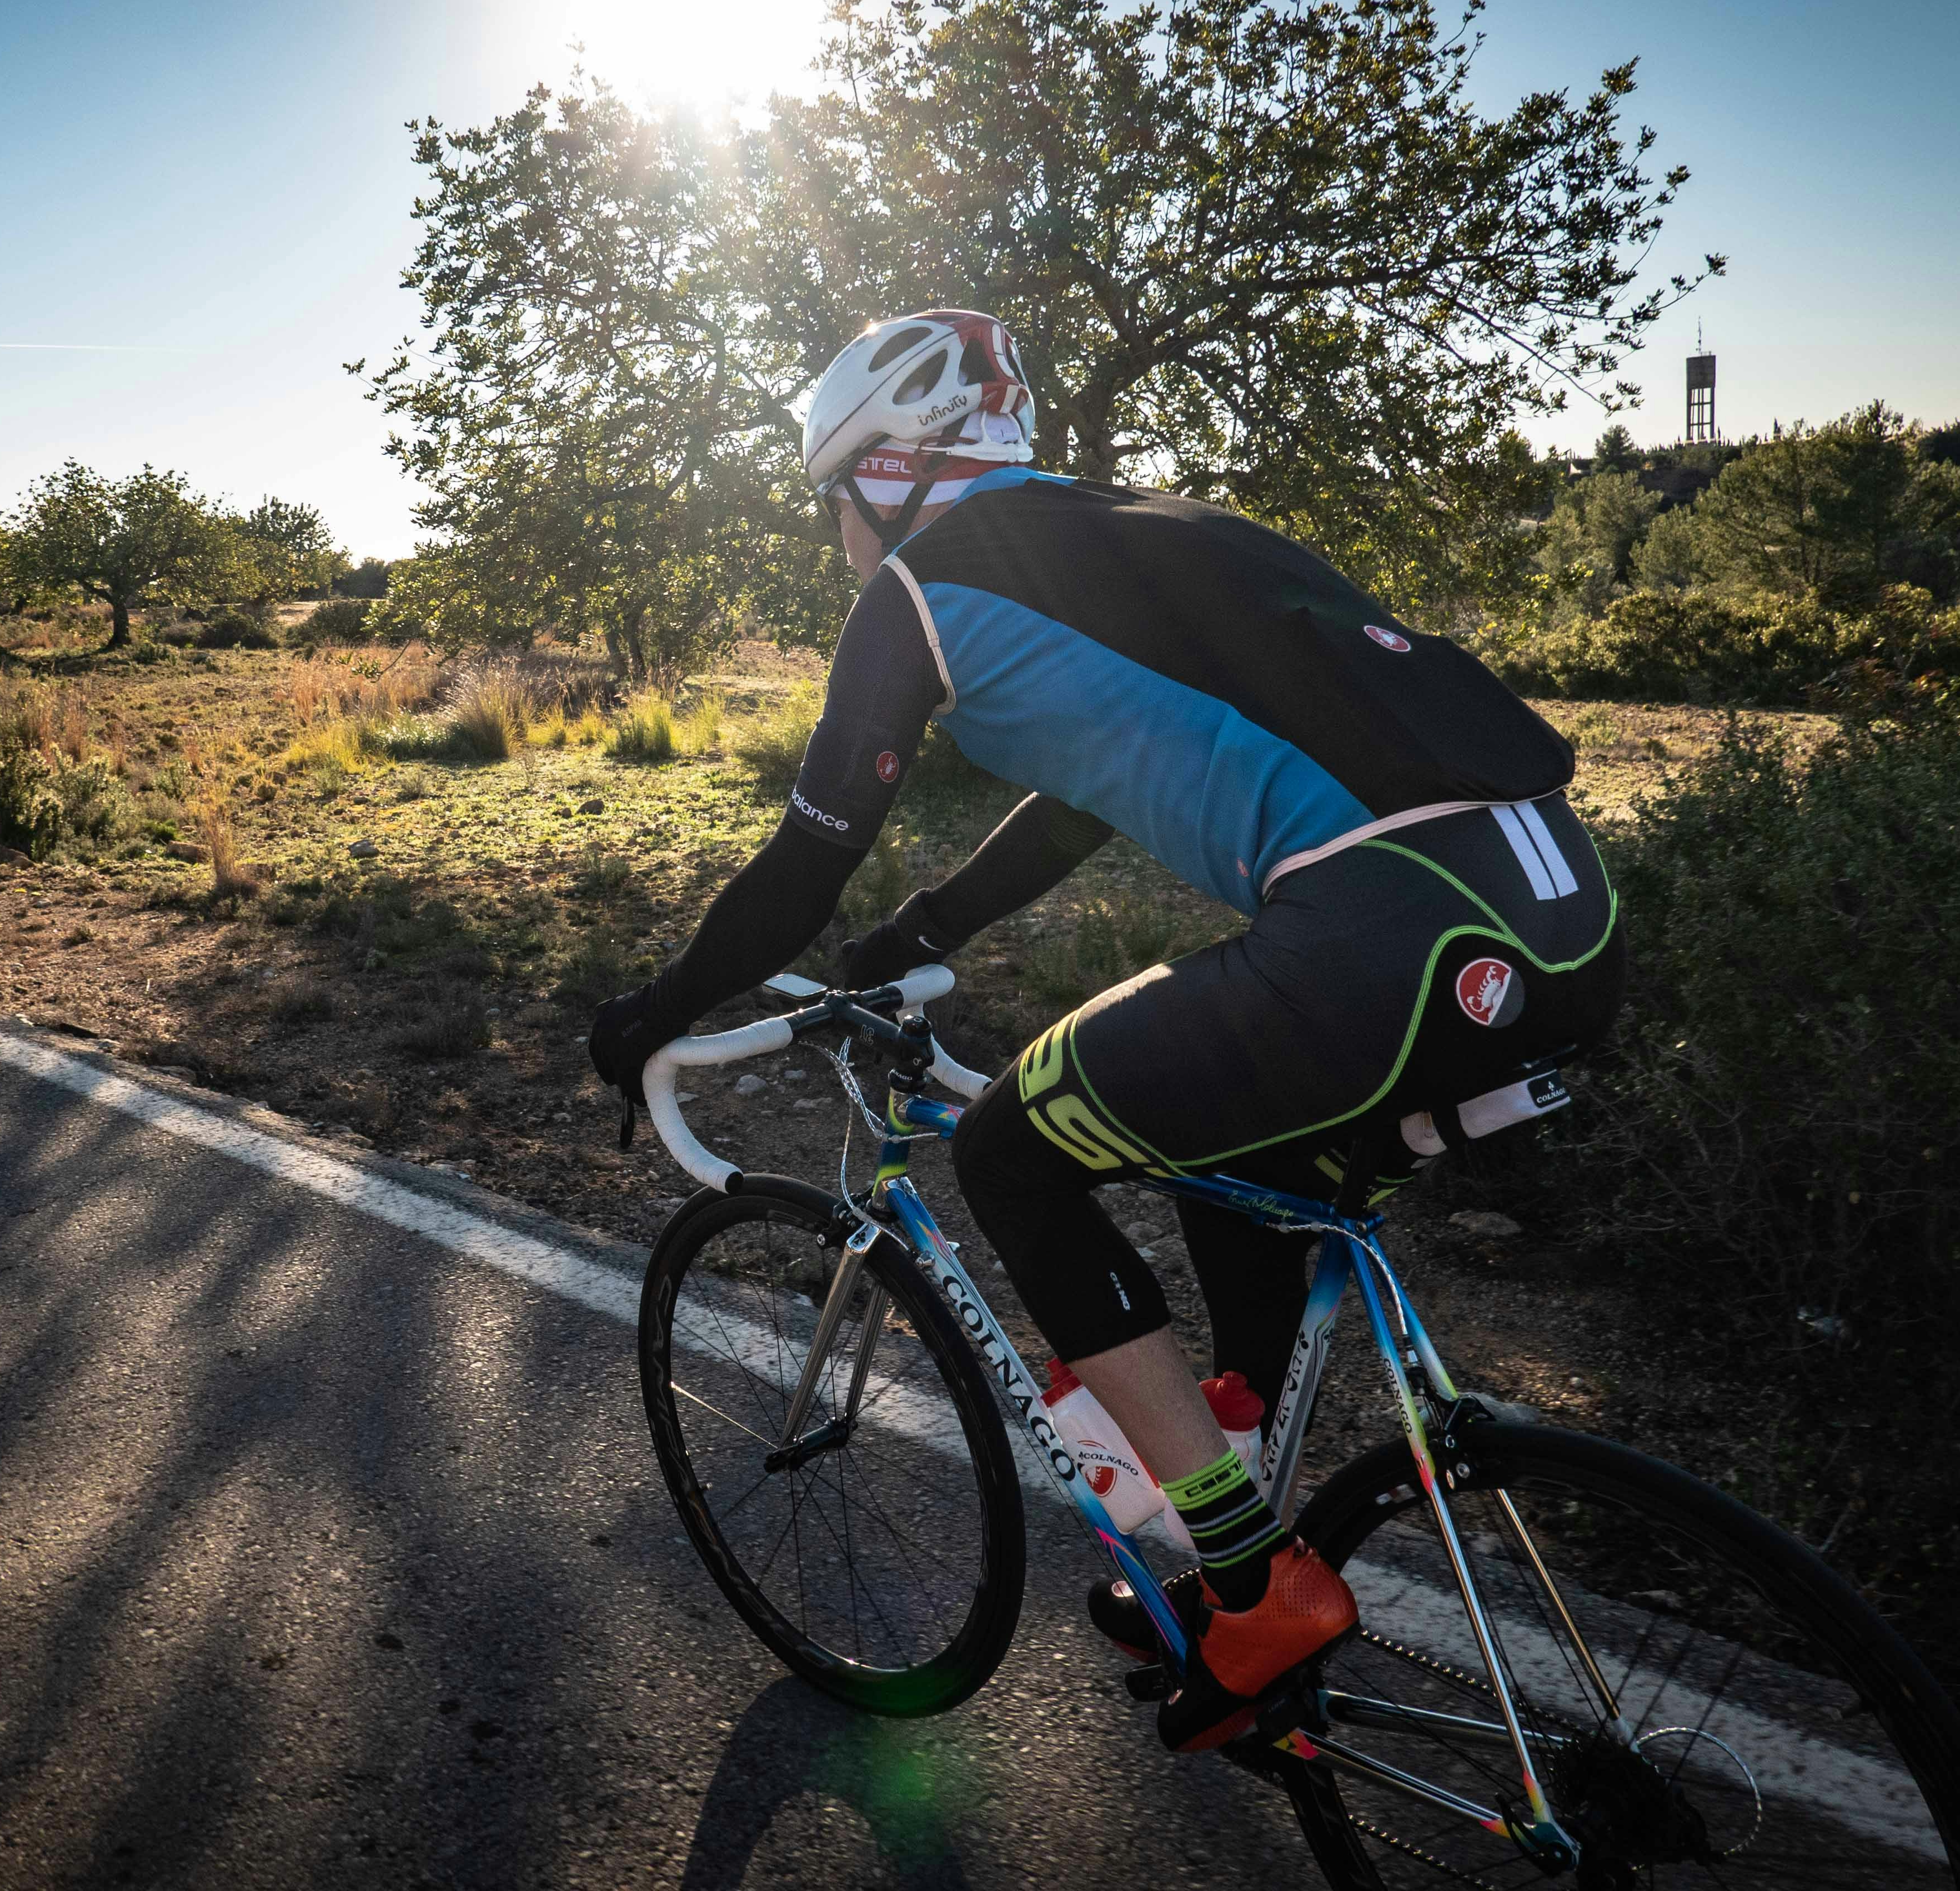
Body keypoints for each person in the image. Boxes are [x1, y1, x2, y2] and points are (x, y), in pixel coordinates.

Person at [589, 309, 1622, 1753]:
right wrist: (929, 932)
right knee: (1231, 1164)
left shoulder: (916, 596)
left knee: (1016, 1147)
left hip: (1396, 929)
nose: (838, 531)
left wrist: (650, 1012)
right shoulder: (1148, 534)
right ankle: (1223, 1545)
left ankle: (1256, 1586)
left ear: (884, 477)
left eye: (834, 496)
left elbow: (804, 859)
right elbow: (1089, 786)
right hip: (1560, 909)